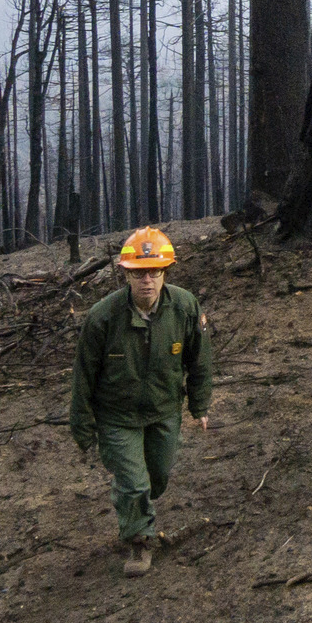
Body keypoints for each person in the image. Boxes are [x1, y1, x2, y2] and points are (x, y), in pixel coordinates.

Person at [69, 226, 214, 575]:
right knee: (134, 483)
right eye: (139, 273)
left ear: (165, 272)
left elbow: (200, 360)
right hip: (117, 416)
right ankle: (138, 542)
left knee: (157, 477)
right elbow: (83, 375)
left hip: (164, 409)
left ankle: (135, 505)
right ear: (126, 274)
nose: (147, 281)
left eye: (155, 272)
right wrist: (83, 427)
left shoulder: (185, 307)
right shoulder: (103, 318)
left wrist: (200, 405)